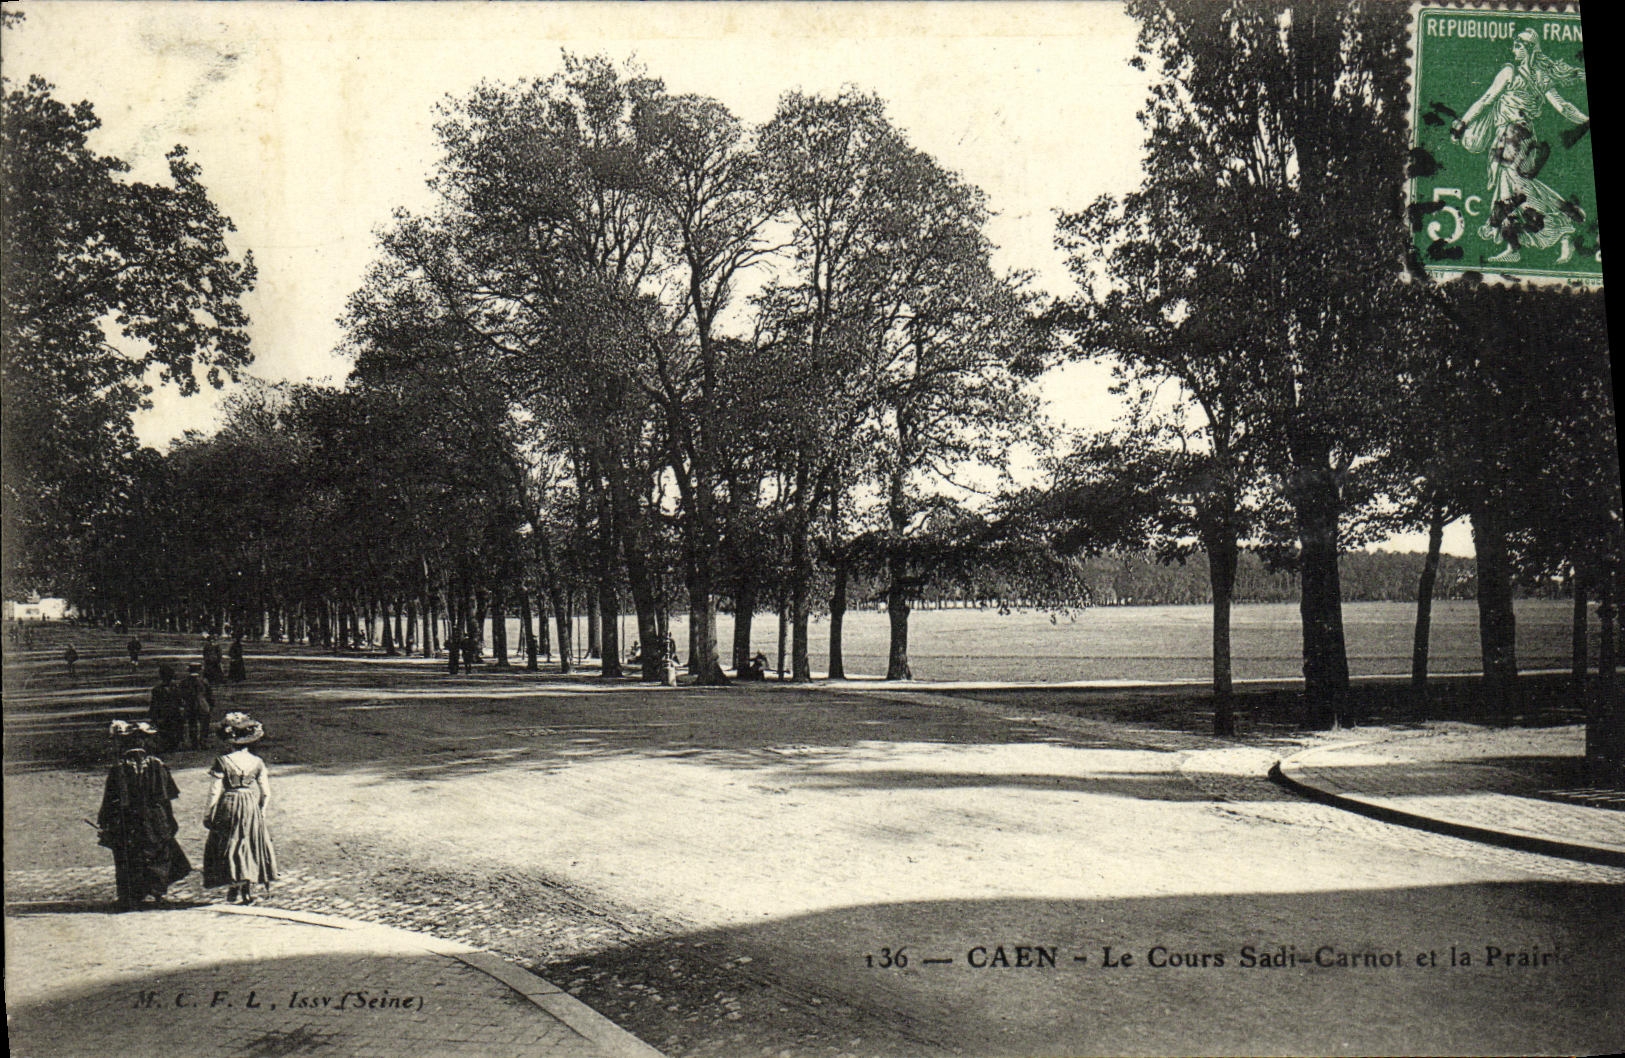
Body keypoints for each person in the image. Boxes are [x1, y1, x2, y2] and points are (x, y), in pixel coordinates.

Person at [1452, 28, 1590, 264]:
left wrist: (1463, 123)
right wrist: (1584, 120)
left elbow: (1486, 99)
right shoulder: (1540, 76)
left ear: (1528, 49)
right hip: (1525, 139)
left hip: (1512, 137)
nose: (1513, 49)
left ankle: (1560, 227)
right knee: (1514, 189)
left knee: (1513, 190)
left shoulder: (1510, 71)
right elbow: (1563, 107)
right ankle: (1531, 236)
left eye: (1518, 45)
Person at [98, 720, 191, 911]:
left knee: (128, 854)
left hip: (128, 818)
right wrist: (169, 819)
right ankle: (157, 893)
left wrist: (106, 822)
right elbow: (166, 797)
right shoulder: (157, 766)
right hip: (155, 817)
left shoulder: (119, 769)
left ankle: (130, 896)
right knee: (158, 852)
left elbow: (111, 800)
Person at [203, 712, 278, 905]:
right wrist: (261, 810)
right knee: (248, 842)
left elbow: (214, 791)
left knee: (231, 842)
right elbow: (266, 792)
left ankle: (233, 882)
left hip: (229, 802)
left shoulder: (223, 761)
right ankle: (247, 888)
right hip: (250, 804)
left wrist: (209, 812)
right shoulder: (257, 762)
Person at [147, 663, 187, 754]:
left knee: (168, 730)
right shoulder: (175, 688)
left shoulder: (157, 689)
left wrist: (153, 715)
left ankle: (169, 744)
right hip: (173, 714)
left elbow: (154, 704)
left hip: (165, 714)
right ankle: (171, 744)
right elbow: (181, 700)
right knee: (172, 729)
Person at [177, 662, 216, 751]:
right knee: (204, 724)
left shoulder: (184, 682)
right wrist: (211, 704)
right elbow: (209, 694)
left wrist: (183, 703)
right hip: (202, 704)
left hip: (190, 704)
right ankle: (203, 741)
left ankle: (194, 742)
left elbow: (181, 694)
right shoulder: (203, 681)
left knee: (192, 723)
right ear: (199, 670)